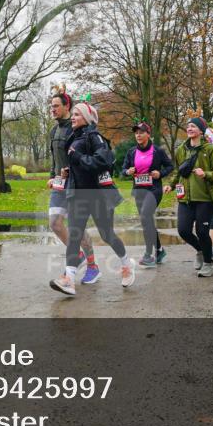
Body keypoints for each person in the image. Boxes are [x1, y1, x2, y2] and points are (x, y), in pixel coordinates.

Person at [50, 101, 132, 296]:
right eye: (73, 114)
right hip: (77, 194)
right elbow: (80, 164)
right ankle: (69, 279)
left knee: (107, 235)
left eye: (77, 115)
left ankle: (127, 264)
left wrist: (78, 158)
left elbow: (104, 160)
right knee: (75, 235)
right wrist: (68, 171)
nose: (73, 117)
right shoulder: (74, 137)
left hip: (97, 195)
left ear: (86, 118)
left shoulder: (94, 137)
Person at [47, 85, 97, 282]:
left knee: (78, 228)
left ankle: (93, 266)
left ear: (67, 106)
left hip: (76, 183)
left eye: (56, 106)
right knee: (55, 223)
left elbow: (86, 156)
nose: (52, 109)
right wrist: (52, 176)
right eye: (51, 106)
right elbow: (55, 158)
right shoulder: (53, 130)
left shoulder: (76, 128)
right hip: (60, 184)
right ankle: (77, 256)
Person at [164, 117, 213, 278]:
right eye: (188, 126)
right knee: (183, 230)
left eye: (193, 126)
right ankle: (200, 250)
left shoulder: (209, 149)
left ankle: (208, 263)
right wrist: (171, 184)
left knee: (202, 231)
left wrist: (206, 174)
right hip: (185, 197)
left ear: (201, 131)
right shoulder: (181, 150)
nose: (189, 128)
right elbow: (178, 171)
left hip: (205, 198)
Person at [121, 120, 174, 268]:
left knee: (145, 217)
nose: (138, 135)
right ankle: (159, 250)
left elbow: (170, 166)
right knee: (146, 221)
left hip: (154, 189)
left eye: (141, 132)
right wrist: (127, 171)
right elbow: (122, 170)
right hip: (139, 190)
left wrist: (160, 173)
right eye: (136, 133)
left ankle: (149, 255)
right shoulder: (131, 152)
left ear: (148, 134)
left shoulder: (158, 151)